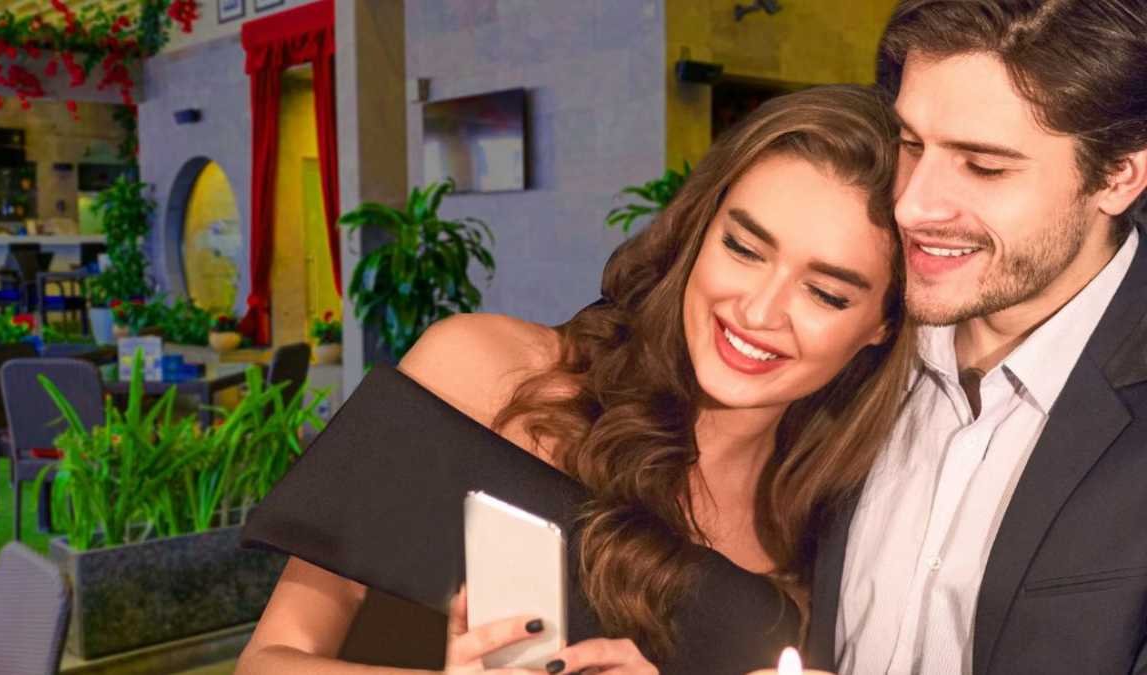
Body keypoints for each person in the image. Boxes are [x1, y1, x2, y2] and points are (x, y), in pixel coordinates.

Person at [236, 84, 916, 674]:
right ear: (700, 231)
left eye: (826, 293)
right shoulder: (482, 374)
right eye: (742, 247)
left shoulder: (824, 541)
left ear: (884, 323)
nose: (759, 311)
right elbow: (266, 661)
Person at [804, 2, 1147, 675]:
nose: (911, 205)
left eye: (984, 166)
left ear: (1118, 176)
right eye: (910, 144)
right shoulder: (845, 328)